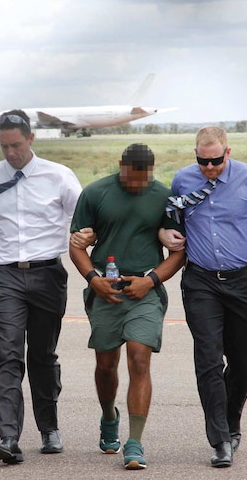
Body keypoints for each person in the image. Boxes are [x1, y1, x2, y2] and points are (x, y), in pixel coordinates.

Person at [0, 110, 82, 465]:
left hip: (48, 274)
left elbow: (84, 220)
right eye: (4, 146)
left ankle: (49, 427)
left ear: (31, 139)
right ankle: (8, 438)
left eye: (17, 145)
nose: (11, 153)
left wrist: (89, 244)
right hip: (3, 276)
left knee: (43, 355)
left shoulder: (60, 177)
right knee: (9, 355)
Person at [160, 126, 247, 468]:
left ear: (228, 152)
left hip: (241, 283)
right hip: (201, 282)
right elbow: (169, 216)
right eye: (202, 162)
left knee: (241, 362)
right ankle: (219, 440)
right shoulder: (183, 180)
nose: (209, 168)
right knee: (207, 360)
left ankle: (232, 423)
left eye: (216, 161)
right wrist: (164, 231)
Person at [69, 143, 186, 470]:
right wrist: (93, 279)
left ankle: (134, 442)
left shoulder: (164, 197)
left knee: (139, 357)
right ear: (120, 165)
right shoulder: (95, 193)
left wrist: (151, 280)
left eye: (142, 180)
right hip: (106, 290)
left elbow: (180, 251)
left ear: (151, 171)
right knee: (106, 366)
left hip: (144, 291)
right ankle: (109, 416)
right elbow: (75, 245)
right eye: (131, 179)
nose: (136, 186)